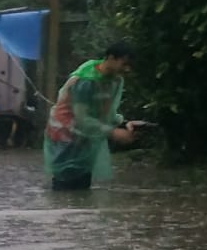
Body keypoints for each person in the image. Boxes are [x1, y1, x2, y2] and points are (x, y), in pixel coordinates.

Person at [44, 41, 142, 191]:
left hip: (88, 134)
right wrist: (113, 132)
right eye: (124, 64)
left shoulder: (114, 80)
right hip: (66, 134)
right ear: (111, 57)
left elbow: (106, 112)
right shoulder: (86, 80)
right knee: (65, 181)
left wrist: (123, 123)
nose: (127, 69)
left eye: (130, 65)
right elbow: (81, 119)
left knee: (83, 180)